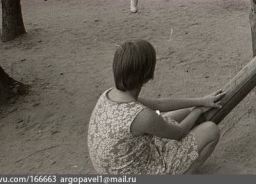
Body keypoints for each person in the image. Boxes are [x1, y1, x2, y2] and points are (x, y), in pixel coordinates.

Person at [88, 40, 224, 174]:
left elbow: (159, 104)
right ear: (147, 74)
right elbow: (179, 133)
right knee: (211, 130)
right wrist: (198, 110)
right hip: (137, 172)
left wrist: (200, 101)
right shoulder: (141, 115)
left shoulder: (110, 94)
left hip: (115, 167)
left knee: (183, 113)